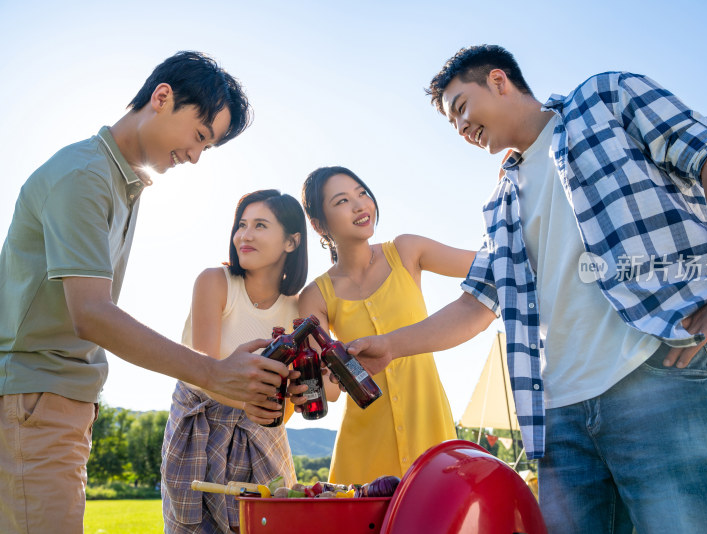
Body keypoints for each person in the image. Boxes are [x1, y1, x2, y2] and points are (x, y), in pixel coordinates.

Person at [347, 45, 707, 533]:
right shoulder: (501, 200)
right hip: (559, 417)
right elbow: (477, 304)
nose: (460, 127)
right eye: (452, 121)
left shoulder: (604, 98)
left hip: (653, 374)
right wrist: (391, 346)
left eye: (460, 107)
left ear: (498, 81)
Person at [0, 51, 287, 534]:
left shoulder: (120, 182)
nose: (196, 156)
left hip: (55, 402)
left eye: (207, 148)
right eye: (199, 136)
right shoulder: (84, 176)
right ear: (162, 98)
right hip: (34, 398)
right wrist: (214, 374)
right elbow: (90, 314)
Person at [294, 165, 474, 484]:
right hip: (363, 450)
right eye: (342, 201)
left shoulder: (406, 251)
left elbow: (488, 265)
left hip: (430, 432)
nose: (360, 204)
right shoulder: (314, 296)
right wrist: (303, 386)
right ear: (319, 224)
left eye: (362, 193)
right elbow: (330, 391)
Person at [162, 189, 307, 533]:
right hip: (199, 425)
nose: (245, 235)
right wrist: (253, 400)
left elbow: (286, 404)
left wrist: (276, 408)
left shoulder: (299, 308)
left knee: (271, 522)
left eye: (260, 225)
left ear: (291, 241)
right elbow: (206, 369)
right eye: (241, 225)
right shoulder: (216, 281)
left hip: (263, 432)